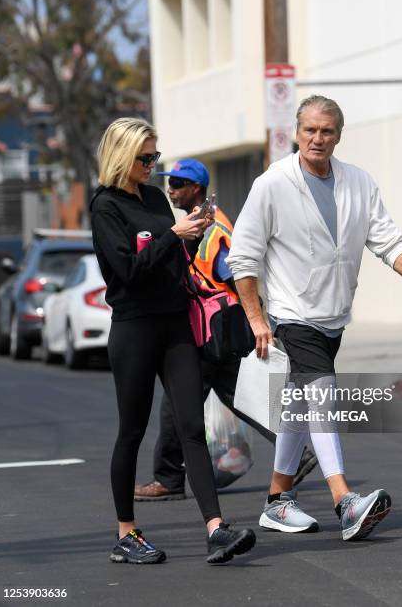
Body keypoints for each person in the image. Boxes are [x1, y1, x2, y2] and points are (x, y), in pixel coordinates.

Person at [226, 95, 402, 541]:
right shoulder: (273, 184)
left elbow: (386, 238)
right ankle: (345, 502)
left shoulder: (358, 182)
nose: (318, 138)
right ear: (295, 132)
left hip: (333, 317)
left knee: (296, 406)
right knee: (322, 399)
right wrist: (256, 318)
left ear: (338, 136)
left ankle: (277, 502)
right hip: (292, 314)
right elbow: (243, 258)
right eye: (310, 130)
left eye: (327, 131)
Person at [90, 118, 256, 564]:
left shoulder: (155, 198)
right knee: (132, 432)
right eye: (145, 158)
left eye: (154, 157)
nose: (151, 166)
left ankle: (216, 529)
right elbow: (126, 272)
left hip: (175, 323)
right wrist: (171, 237)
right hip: (135, 328)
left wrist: (189, 240)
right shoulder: (106, 207)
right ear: (122, 157)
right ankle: (126, 533)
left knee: (191, 428)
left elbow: (170, 260)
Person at [134, 159, 318, 502]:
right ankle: (298, 452)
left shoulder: (214, 228)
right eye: (169, 183)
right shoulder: (200, 221)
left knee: (176, 402)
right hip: (219, 328)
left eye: (178, 183)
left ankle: (169, 479)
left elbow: (235, 271)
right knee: (241, 397)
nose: (171, 189)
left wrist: (257, 319)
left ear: (197, 189)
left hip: (214, 330)